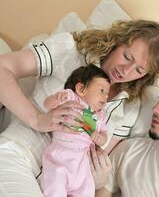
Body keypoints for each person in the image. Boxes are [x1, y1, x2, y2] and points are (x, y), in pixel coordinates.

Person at [0, 19, 159, 196]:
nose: (126, 71)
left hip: (69, 186)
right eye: (127, 57)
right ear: (117, 41)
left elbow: (97, 154)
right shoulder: (70, 51)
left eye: (139, 70)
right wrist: (36, 118)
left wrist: (99, 179)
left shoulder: (129, 107)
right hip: (18, 156)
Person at [41, 64, 110, 197]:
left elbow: (104, 137)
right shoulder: (71, 97)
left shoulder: (100, 116)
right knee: (55, 183)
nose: (106, 97)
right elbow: (46, 105)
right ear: (81, 89)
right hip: (61, 156)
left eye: (107, 93)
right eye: (102, 90)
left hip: (83, 163)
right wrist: (56, 98)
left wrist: (99, 138)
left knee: (87, 189)